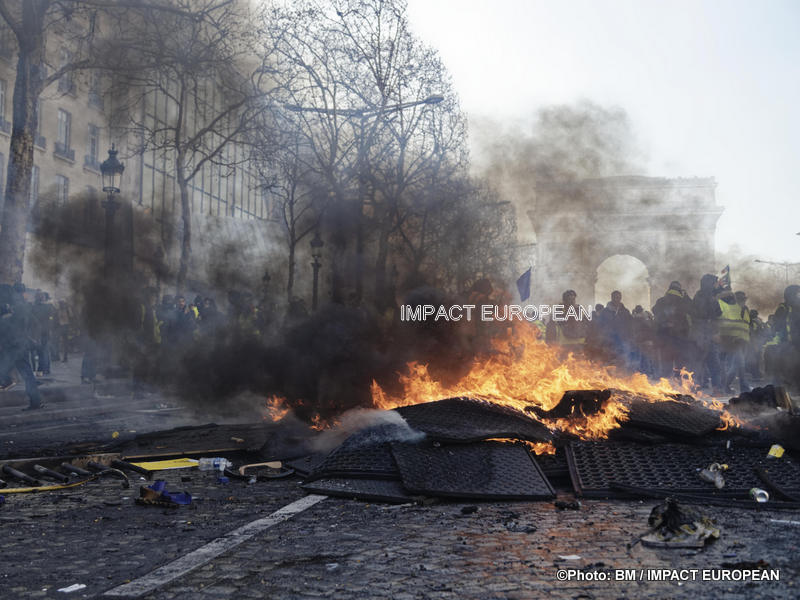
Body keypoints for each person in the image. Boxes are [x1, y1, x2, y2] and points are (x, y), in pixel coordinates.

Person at [0, 284, 43, 410]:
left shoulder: (11, 308)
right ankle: (36, 401)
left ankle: (6, 381)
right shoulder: (20, 306)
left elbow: (7, 328)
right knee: (27, 373)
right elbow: (33, 323)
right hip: (20, 345)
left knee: (4, 369)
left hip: (13, 346)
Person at [652, 281, 694, 380]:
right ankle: (679, 382)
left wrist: (665, 323)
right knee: (680, 361)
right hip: (680, 336)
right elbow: (693, 310)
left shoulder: (661, 300)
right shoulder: (683, 301)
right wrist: (686, 296)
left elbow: (654, 310)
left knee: (666, 360)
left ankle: (666, 383)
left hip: (664, 335)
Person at [692, 274, 723, 392]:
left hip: (703, 333)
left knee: (703, 363)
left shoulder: (703, 295)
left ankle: (697, 388)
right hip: (705, 334)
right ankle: (713, 389)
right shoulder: (705, 296)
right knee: (711, 363)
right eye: (715, 282)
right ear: (709, 284)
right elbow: (712, 313)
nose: (716, 285)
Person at [717, 289, 751, 393]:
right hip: (732, 341)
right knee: (739, 365)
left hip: (742, 341)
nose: (743, 301)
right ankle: (741, 387)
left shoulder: (745, 309)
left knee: (737, 366)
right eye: (741, 299)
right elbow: (724, 322)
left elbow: (745, 325)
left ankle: (728, 386)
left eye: (744, 299)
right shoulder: (730, 308)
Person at [546, 289, 588, 354]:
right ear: (564, 301)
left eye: (573, 299)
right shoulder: (559, 309)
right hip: (564, 343)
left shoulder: (580, 309)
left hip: (580, 342)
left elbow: (586, 324)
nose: (572, 301)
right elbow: (558, 323)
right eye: (570, 299)